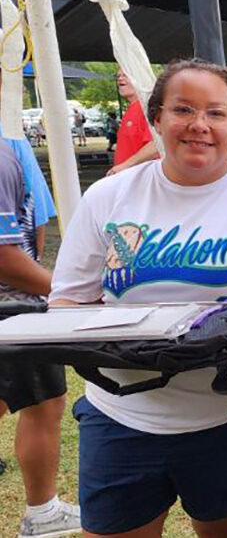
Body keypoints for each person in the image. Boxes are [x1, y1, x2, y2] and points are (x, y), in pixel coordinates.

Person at [48, 58, 227, 538]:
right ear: (157, 119)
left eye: (216, 113)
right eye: (183, 109)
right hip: (121, 413)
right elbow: (67, 303)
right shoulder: (108, 196)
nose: (199, 126)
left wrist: (182, 341)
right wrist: (134, 345)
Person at [1, 80, 80, 537]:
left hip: (17, 300)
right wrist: (61, 290)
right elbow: (5, 254)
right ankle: (43, 512)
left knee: (41, 400)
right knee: (43, 402)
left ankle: (44, 510)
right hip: (12, 308)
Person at [106, 68, 159, 176]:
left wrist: (124, 166)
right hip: (127, 179)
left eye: (125, 75)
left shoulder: (147, 108)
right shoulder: (132, 109)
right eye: (118, 76)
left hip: (141, 180)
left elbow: (157, 144)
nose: (120, 78)